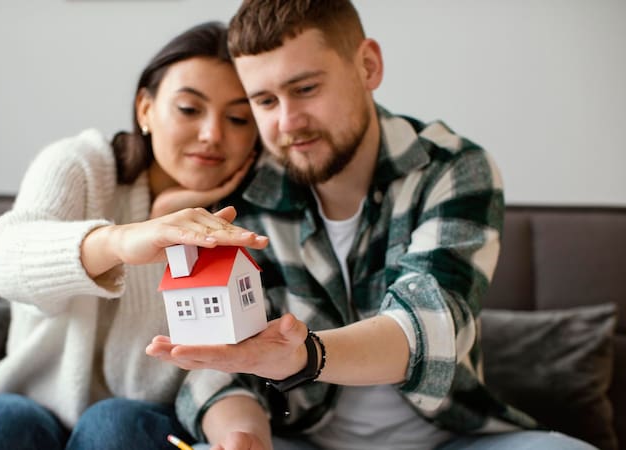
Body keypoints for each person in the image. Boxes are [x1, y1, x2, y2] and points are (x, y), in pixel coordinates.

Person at [146, 2, 596, 450]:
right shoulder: (245, 192)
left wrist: (305, 356)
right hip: (302, 440)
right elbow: (218, 365)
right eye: (264, 101)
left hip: (449, 438)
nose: (287, 123)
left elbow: (427, 326)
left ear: (368, 66)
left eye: (305, 88)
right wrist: (243, 435)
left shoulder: (452, 169)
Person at [0, 21, 268, 450]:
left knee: (113, 424)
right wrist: (121, 241)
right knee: (0, 422)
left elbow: (224, 365)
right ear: (145, 109)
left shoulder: (254, 221)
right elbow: (7, 263)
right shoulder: (80, 165)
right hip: (28, 408)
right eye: (190, 109)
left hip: (143, 421)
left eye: (237, 117)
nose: (212, 134)